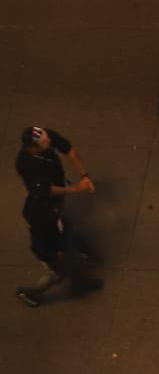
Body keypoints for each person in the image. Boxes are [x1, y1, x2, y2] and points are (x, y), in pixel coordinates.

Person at [15, 126, 100, 307]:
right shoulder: (26, 165)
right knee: (59, 271)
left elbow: (68, 149)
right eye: (45, 143)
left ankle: (80, 278)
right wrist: (77, 189)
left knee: (66, 237)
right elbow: (47, 190)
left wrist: (84, 176)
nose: (49, 142)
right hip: (47, 248)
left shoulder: (43, 137)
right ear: (33, 148)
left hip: (49, 229)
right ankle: (33, 293)